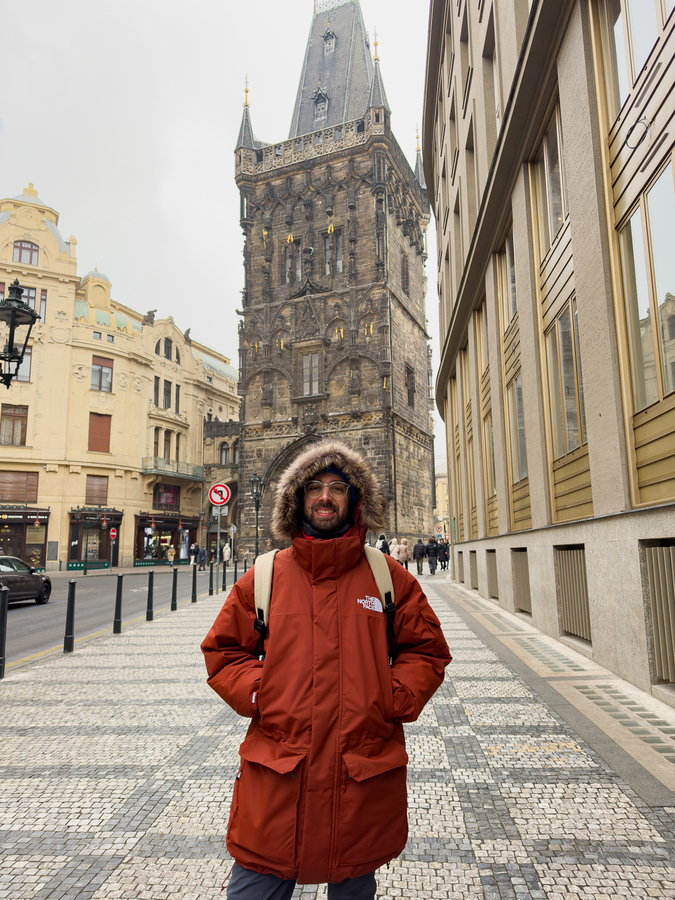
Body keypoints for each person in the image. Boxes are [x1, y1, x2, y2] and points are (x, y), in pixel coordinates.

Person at [202, 440, 451, 900]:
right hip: (278, 778)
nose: (324, 496)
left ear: (354, 500)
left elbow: (427, 651)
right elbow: (224, 652)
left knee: (353, 882)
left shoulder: (388, 578)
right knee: (253, 889)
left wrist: (390, 696)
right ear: (297, 498)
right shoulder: (264, 577)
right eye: (314, 486)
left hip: (359, 777)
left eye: (338, 488)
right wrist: (262, 691)